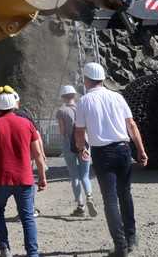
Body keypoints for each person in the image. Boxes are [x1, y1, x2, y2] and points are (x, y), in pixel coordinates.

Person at [74, 62, 148, 257]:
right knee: (125, 194)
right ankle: (132, 238)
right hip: (123, 149)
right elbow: (131, 125)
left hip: (102, 153)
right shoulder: (117, 97)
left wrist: (82, 148)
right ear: (103, 78)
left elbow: (79, 131)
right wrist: (140, 150)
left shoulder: (84, 101)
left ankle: (120, 246)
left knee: (110, 200)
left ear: (87, 79)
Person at [0, 85, 47, 257]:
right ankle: (32, 253)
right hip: (24, 179)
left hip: (0, 179)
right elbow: (38, 153)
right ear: (14, 103)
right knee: (27, 217)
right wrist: (42, 177)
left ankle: (4, 248)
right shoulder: (27, 124)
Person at [55, 84, 96, 217]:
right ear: (74, 95)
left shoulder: (61, 111)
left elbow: (62, 131)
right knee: (85, 175)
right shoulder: (82, 107)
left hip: (68, 146)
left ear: (62, 97)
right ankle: (89, 195)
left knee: (74, 176)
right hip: (84, 144)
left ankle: (80, 206)